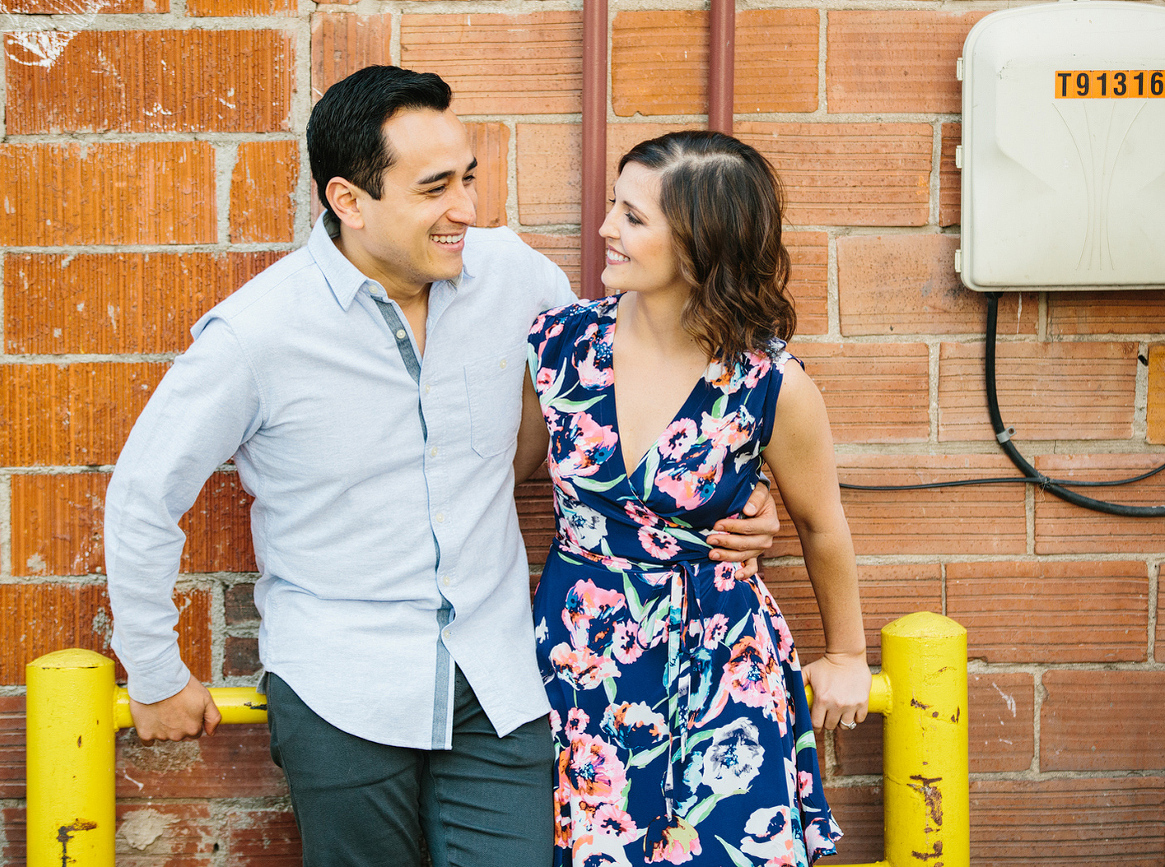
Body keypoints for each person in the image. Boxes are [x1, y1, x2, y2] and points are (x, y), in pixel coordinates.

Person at [104, 67, 780, 867]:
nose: (466, 209)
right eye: (434, 189)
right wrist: (152, 672)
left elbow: (623, 390)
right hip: (340, 684)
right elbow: (145, 494)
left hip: (498, 680)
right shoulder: (257, 334)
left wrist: (731, 492)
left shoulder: (516, 276)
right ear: (348, 201)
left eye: (468, 179)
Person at [522, 130, 870, 865]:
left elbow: (821, 523)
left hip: (719, 661)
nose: (605, 228)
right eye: (614, 205)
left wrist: (845, 652)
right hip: (584, 659)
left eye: (633, 216)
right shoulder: (557, 346)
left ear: (699, 245)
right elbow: (504, 471)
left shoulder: (768, 384)